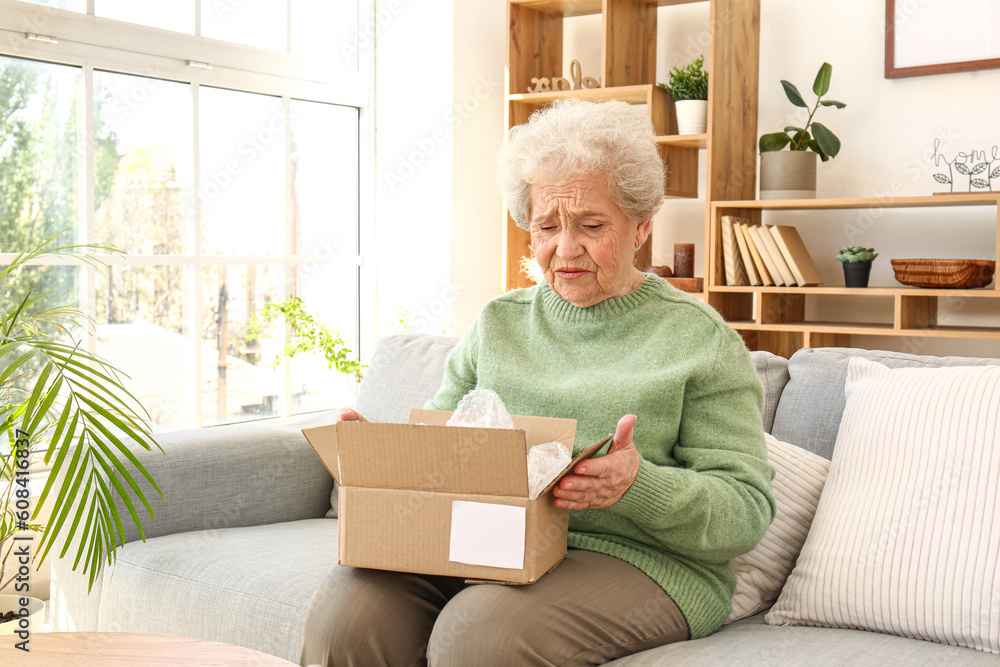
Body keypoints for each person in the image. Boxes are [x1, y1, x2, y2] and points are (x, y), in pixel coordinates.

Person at [300, 99, 775, 667]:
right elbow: (441, 450)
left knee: (481, 634)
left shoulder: (700, 340)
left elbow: (744, 512)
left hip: (639, 561)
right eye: (546, 226)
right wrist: (381, 455)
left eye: (592, 226)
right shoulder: (500, 322)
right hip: (482, 542)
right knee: (349, 614)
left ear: (642, 226)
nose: (565, 249)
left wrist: (637, 485)